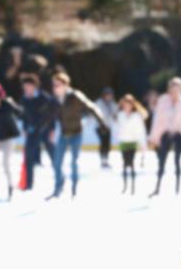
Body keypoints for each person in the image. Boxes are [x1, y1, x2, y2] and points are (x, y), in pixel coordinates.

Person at [48, 72, 108, 200]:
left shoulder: (75, 96)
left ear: (65, 85)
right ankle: (58, 187)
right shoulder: (56, 100)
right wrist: (49, 129)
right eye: (53, 85)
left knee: (74, 161)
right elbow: (50, 116)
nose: (55, 88)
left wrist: (102, 123)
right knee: (57, 162)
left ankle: (74, 188)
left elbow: (92, 107)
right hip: (63, 134)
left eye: (57, 85)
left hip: (76, 133)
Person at [148, 77, 181, 197]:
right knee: (162, 160)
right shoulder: (163, 100)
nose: (175, 92)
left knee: (177, 159)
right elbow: (157, 119)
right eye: (173, 89)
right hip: (165, 132)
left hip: (179, 132)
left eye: (178, 89)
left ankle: (177, 189)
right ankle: (157, 188)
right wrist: (153, 136)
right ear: (169, 89)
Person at [20, 74, 58, 191]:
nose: (27, 88)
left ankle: (59, 181)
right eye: (25, 86)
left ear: (34, 86)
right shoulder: (24, 99)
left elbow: (52, 114)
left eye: (29, 86)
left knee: (54, 157)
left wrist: (52, 130)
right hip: (32, 131)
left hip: (45, 130)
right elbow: (24, 115)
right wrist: (25, 128)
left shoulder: (44, 97)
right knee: (28, 158)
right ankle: (29, 184)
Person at [116, 94, 148, 195]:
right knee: (125, 164)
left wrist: (142, 144)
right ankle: (125, 186)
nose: (127, 106)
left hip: (133, 142)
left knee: (132, 163)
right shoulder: (120, 115)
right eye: (125, 104)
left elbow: (140, 131)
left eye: (129, 104)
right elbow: (117, 128)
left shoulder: (136, 116)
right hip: (123, 142)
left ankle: (133, 186)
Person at [95, 87, 119, 168]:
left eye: (111, 95)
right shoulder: (99, 103)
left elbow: (116, 113)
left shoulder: (113, 103)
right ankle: (103, 159)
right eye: (108, 94)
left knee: (107, 144)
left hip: (108, 127)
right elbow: (97, 114)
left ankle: (106, 159)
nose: (109, 96)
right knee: (103, 143)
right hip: (100, 126)